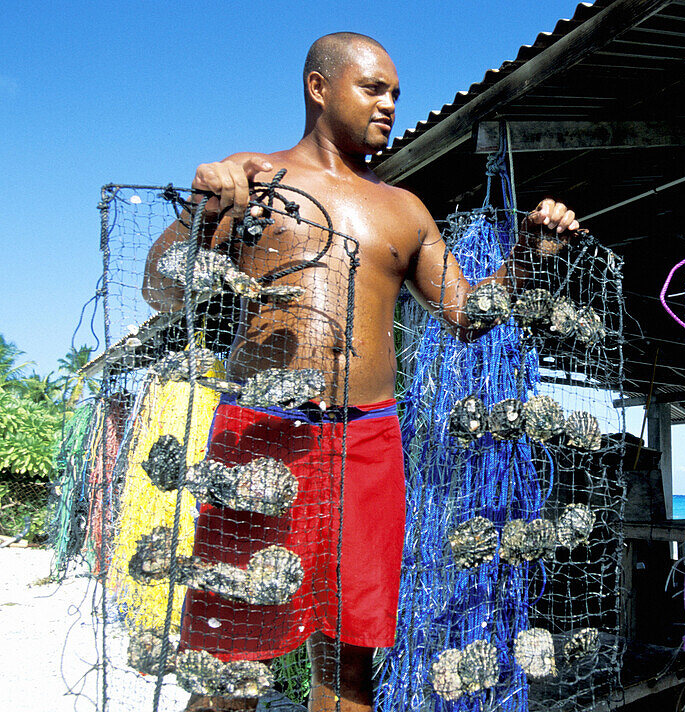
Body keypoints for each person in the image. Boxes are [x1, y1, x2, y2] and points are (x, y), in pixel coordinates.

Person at [142, 32, 581, 712]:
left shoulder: (403, 210)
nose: (389, 106)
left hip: (368, 443)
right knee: (233, 659)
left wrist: (529, 257)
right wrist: (202, 214)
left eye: (395, 94)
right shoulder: (254, 179)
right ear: (319, 88)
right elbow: (162, 292)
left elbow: (467, 316)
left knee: (349, 669)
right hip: (262, 435)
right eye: (372, 89)